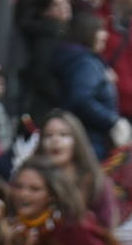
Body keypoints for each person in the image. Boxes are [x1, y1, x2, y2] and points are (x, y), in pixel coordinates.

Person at [51, 11, 128, 159]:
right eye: (100, 30)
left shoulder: (88, 61)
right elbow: (81, 99)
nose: (105, 35)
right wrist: (112, 121)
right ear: (87, 33)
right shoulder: (86, 64)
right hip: (91, 139)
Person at [37, 109, 119, 226]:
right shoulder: (31, 178)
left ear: (77, 140)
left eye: (63, 134)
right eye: (48, 135)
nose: (55, 140)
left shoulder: (96, 182)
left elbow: (106, 228)